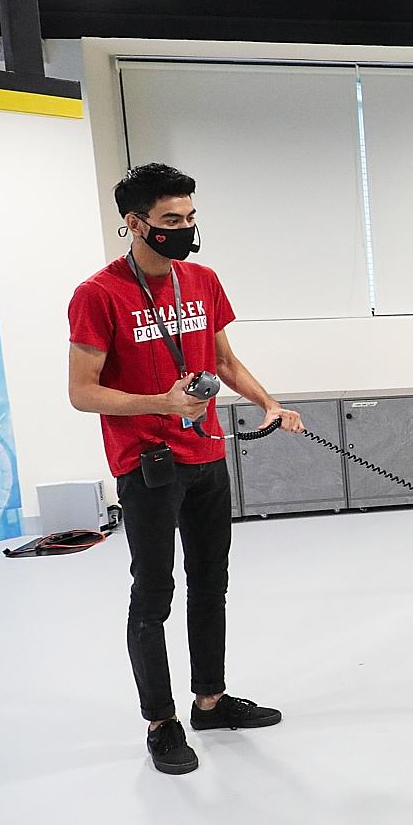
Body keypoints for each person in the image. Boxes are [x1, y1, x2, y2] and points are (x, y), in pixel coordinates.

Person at [67, 162, 303, 775]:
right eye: (171, 220)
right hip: (147, 465)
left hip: (206, 456)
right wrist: (161, 403)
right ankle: (161, 722)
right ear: (134, 223)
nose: (185, 229)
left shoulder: (201, 281)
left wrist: (269, 402)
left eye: (190, 218)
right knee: (153, 596)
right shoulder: (98, 295)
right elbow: (82, 392)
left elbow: (223, 359)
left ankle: (210, 700)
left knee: (211, 584)